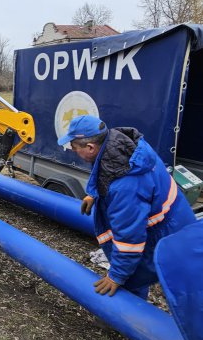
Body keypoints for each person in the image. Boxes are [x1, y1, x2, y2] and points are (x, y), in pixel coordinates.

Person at [57, 115, 196, 299]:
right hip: (175, 221)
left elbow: (130, 238)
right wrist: (95, 193)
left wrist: (116, 276)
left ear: (90, 148)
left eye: (74, 148)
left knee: (131, 278)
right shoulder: (119, 145)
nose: (73, 151)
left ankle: (131, 321)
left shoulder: (125, 186)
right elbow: (105, 171)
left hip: (167, 235)